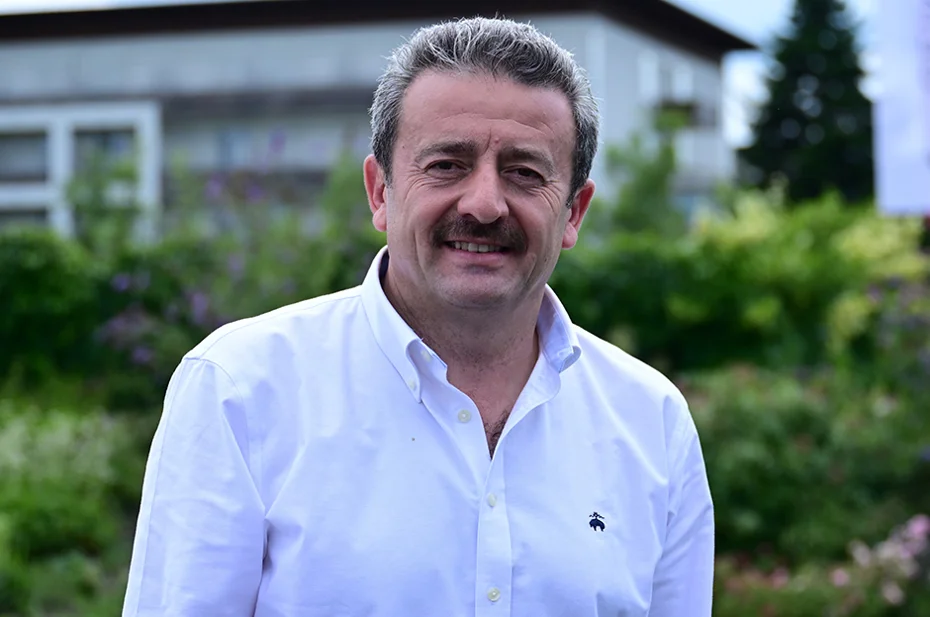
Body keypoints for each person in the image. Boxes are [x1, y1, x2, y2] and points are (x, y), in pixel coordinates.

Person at [121, 16, 714, 617]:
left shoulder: (652, 422)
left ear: (574, 212)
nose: (484, 204)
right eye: (446, 164)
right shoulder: (241, 390)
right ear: (380, 191)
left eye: (525, 173)